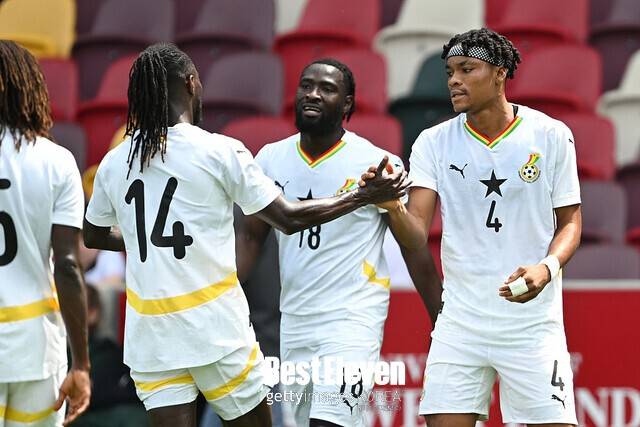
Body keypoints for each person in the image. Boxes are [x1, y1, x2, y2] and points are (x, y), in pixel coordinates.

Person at [82, 43, 407, 427]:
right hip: (214, 328)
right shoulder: (218, 151)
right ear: (191, 83)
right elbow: (287, 217)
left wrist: (144, 239)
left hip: (152, 333)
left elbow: (93, 236)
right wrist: (361, 196)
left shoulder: (115, 162)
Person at [362, 28, 582, 426]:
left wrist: (546, 268)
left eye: (467, 69)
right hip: (460, 324)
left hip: (532, 325)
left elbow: (570, 223)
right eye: (450, 72)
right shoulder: (432, 142)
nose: (454, 81)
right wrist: (391, 204)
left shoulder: (551, 135)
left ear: (499, 73)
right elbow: (415, 233)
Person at [235, 59, 442, 427]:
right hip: (295, 323)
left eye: (327, 89)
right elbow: (251, 236)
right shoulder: (269, 158)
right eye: (306, 85)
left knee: (328, 422)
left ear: (347, 104)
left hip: (352, 320)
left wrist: (442, 321)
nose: (313, 94)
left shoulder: (377, 164)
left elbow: (413, 248)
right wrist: (220, 298)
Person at [0, 40, 91, 426]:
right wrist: (81, 363)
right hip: (35, 346)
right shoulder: (57, 161)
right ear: (31, 88)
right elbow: (67, 266)